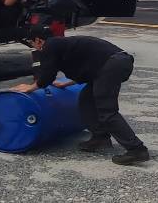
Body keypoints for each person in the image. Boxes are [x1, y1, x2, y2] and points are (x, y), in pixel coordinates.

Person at [10, 26, 149, 165]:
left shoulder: (50, 46)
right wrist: (67, 84)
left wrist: (31, 88)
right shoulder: (62, 45)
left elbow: (47, 75)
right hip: (116, 63)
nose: (33, 47)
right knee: (86, 100)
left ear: (39, 40)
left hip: (113, 64)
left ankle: (136, 149)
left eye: (32, 43)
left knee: (107, 111)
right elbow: (87, 67)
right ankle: (100, 137)